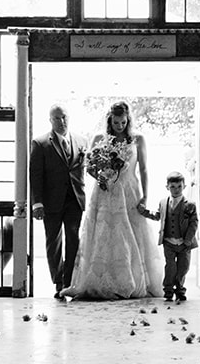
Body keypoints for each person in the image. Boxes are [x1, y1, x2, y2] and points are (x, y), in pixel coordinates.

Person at [61, 101, 162, 300]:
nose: (120, 126)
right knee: (105, 235)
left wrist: (145, 197)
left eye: (123, 122)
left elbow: (143, 169)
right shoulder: (100, 138)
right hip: (105, 192)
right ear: (110, 120)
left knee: (130, 235)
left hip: (129, 192)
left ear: (128, 120)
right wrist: (100, 177)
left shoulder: (138, 139)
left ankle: (131, 279)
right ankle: (100, 279)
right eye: (116, 122)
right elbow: (88, 166)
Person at [28, 104, 86, 294]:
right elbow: (35, 175)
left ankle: (68, 282)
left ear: (69, 117)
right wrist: (37, 202)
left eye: (64, 117)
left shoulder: (81, 140)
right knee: (53, 242)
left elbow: (84, 170)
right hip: (51, 202)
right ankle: (58, 280)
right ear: (50, 120)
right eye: (56, 118)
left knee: (73, 240)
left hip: (74, 200)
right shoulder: (40, 143)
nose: (61, 121)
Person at [157, 171, 198, 303]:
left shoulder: (190, 204)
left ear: (184, 186)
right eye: (173, 187)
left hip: (184, 243)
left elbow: (193, 223)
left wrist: (187, 241)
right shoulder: (163, 202)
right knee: (170, 267)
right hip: (168, 241)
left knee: (183, 267)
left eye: (179, 186)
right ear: (167, 187)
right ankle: (168, 290)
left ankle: (180, 290)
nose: (176, 190)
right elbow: (159, 216)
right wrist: (144, 212)